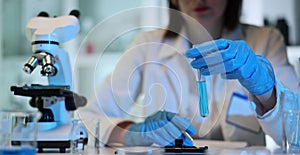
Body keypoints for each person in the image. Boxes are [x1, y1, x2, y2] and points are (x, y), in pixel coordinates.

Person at [81, 0, 299, 147]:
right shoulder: (148, 46)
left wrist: (265, 90)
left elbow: (296, 133)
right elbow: (89, 118)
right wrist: (134, 134)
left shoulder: (266, 41)